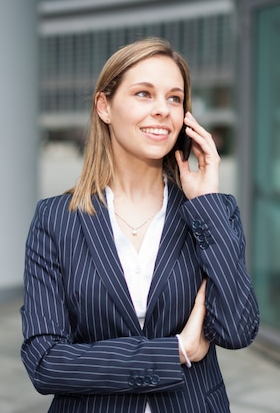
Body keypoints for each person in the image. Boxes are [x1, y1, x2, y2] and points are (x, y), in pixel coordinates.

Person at [20, 37, 260, 413]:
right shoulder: (55, 219)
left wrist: (206, 203)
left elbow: (237, 328)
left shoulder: (212, 212)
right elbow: (45, 362)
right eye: (144, 94)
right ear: (104, 107)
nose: (163, 110)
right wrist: (174, 351)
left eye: (174, 98)